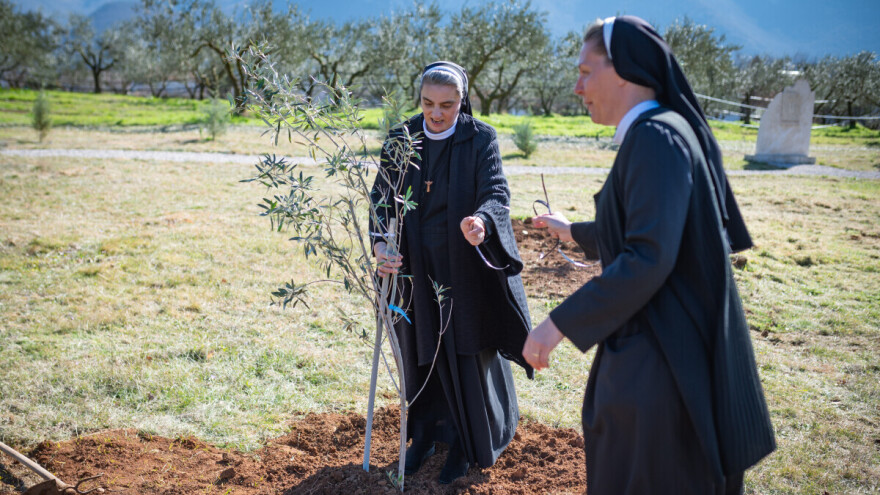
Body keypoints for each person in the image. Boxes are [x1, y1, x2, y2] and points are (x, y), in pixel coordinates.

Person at [522, 16, 776, 494]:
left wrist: (555, 325)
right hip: (665, 347)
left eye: (584, 72)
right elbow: (650, 225)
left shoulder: (655, 138)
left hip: (664, 362)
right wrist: (573, 231)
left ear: (624, 70)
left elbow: (648, 255)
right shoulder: (662, 131)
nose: (577, 87)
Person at [370, 61, 533, 484]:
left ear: (463, 101)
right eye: (428, 103)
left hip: (462, 267)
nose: (437, 114)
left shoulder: (480, 139)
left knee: (464, 350)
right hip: (413, 268)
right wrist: (381, 244)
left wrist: (482, 222)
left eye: (447, 104)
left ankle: (465, 441)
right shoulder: (401, 139)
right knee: (419, 349)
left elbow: (496, 193)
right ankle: (422, 434)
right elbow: (380, 202)